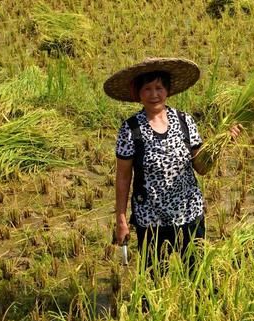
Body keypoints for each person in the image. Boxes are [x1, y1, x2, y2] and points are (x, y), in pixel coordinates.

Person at [103, 57, 241, 278]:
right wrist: (120, 219)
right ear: (138, 93)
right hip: (151, 219)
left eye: (159, 87)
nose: (154, 94)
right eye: (147, 89)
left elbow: (201, 167)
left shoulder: (185, 122)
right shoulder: (130, 130)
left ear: (167, 91)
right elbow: (123, 177)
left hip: (189, 214)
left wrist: (221, 144)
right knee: (154, 279)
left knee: (198, 277)